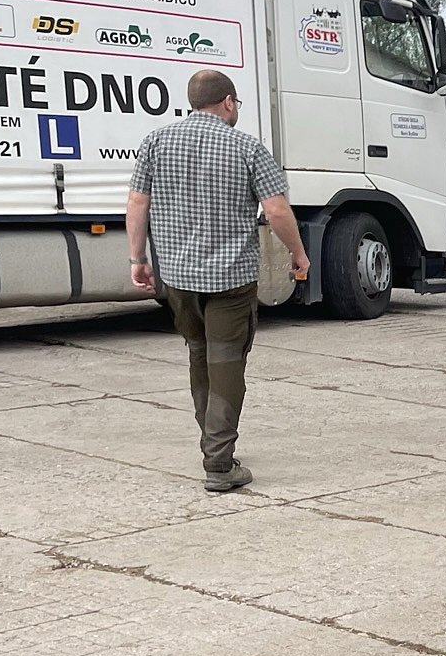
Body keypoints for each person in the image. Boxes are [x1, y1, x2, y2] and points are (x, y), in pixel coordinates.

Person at [125, 68, 309, 493]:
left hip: (179, 278)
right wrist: (298, 254)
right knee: (226, 362)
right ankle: (220, 463)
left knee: (199, 353)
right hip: (230, 279)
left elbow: (137, 202)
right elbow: (276, 210)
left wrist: (138, 258)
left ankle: (212, 441)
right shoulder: (247, 147)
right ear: (228, 102)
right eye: (236, 103)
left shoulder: (156, 142)